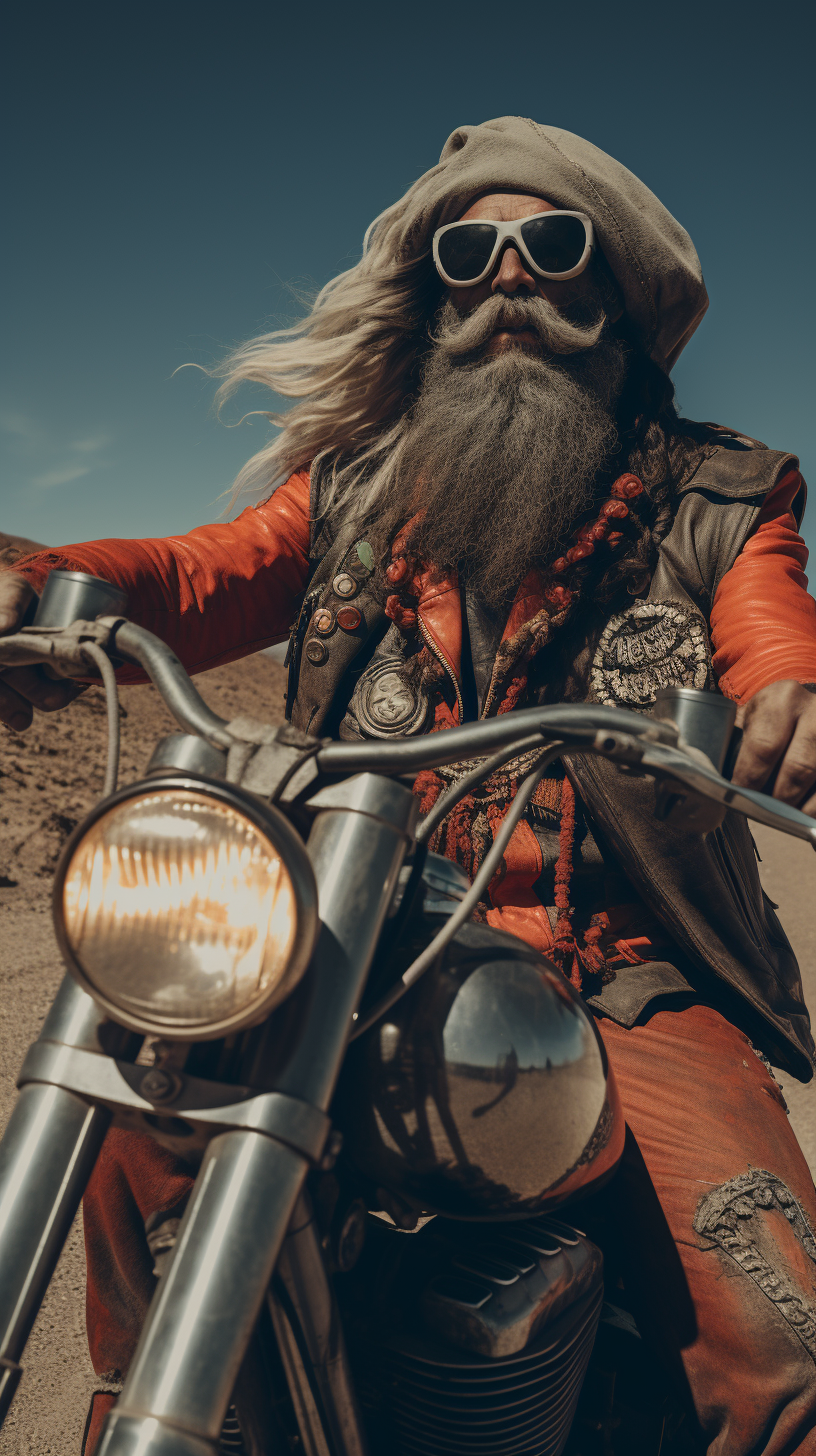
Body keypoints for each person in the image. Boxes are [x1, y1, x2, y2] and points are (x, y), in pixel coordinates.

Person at [2, 116, 816, 1454]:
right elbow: (199, 572)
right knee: (138, 1119)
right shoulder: (358, 493)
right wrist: (48, 588)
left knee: (775, 1349)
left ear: (607, 293)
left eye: (549, 247)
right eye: (470, 250)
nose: (508, 275)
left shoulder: (717, 497)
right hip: (352, 933)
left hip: (620, 968)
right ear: (437, 291)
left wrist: (790, 688)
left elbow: (768, 615)